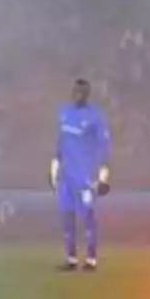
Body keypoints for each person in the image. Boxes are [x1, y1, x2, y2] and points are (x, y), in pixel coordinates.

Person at [49, 78, 111, 271]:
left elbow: (104, 147)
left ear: (86, 94)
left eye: (81, 92)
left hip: (85, 175)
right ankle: (71, 258)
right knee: (67, 216)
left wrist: (103, 175)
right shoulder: (64, 112)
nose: (77, 95)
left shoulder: (95, 117)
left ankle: (91, 258)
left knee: (87, 216)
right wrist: (54, 165)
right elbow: (61, 141)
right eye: (75, 91)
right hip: (66, 174)